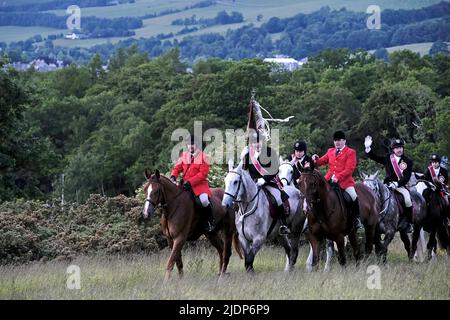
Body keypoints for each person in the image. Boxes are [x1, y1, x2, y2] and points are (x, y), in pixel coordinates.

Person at [312, 130, 365, 237]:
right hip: (329, 181)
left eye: (339, 140)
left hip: (345, 183)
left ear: (344, 141)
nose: (337, 142)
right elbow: (321, 161)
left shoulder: (351, 152)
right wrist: (315, 159)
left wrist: (338, 177)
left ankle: (357, 220)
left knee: (353, 196)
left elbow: (350, 169)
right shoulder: (330, 151)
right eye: (335, 140)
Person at [241, 132, 290, 235]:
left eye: (259, 142)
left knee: (278, 199)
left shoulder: (270, 152)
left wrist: (264, 179)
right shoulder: (249, 155)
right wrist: (243, 157)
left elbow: (275, 170)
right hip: (253, 184)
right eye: (254, 142)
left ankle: (283, 225)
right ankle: (240, 222)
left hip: (269, 183)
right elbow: (244, 170)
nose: (257, 144)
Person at [364, 136, 414, 233]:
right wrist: (368, 149)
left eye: (400, 147)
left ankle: (408, 223)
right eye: (397, 148)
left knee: (407, 199)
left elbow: (407, 177)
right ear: (393, 149)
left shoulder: (408, 161)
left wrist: (397, 183)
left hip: (400, 186)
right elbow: (375, 157)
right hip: (387, 185)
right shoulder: (388, 158)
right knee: (375, 197)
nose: (399, 149)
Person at [171, 134, 215, 233]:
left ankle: (210, 222)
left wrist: (190, 182)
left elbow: (203, 174)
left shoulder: (204, 157)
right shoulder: (184, 155)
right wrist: (173, 176)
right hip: (184, 185)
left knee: (204, 201)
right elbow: (177, 168)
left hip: (199, 186)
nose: (191, 146)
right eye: (189, 144)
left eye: (193, 144)